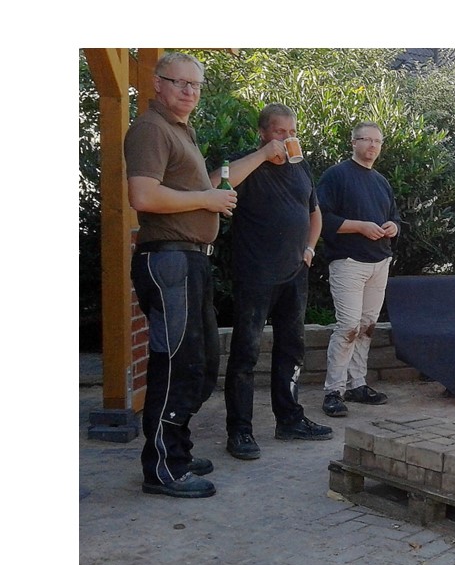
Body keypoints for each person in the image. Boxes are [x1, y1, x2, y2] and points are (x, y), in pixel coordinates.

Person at [125, 52, 237, 498]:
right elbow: (143, 195)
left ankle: (177, 451)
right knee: (178, 363)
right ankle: (164, 468)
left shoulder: (179, 130)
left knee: (201, 362)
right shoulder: (151, 128)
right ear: (158, 83)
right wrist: (207, 201)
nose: (190, 91)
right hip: (168, 260)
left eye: (195, 85)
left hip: (188, 261)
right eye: (179, 82)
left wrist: (211, 196)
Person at [219, 103, 333, 461]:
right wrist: (262, 155)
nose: (287, 138)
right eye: (280, 131)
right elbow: (215, 182)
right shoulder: (246, 163)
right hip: (255, 274)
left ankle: (290, 419)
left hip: (295, 272)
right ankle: (240, 430)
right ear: (263, 132)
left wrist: (309, 249)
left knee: (291, 348)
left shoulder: (301, 167)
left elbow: (315, 212)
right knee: (246, 353)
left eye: (292, 131)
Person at [316, 122, 400, 418]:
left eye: (378, 141)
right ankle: (333, 391)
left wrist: (394, 227)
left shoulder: (381, 181)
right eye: (367, 139)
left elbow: (394, 216)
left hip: (380, 261)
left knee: (367, 326)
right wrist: (360, 227)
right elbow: (321, 218)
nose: (373, 146)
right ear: (353, 143)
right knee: (348, 326)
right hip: (348, 262)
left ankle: (357, 384)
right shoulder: (336, 176)